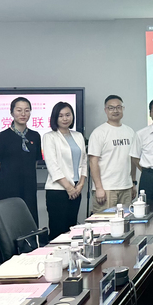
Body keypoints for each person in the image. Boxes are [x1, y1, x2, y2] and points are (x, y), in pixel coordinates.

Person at [0, 97, 42, 262]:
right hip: (6, 189)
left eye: (27, 110)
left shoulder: (35, 136)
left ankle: (29, 262)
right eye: (19, 110)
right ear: (11, 112)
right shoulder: (2, 137)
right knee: (4, 227)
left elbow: (34, 162)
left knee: (28, 225)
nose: (23, 114)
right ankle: (1, 265)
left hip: (28, 189)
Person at [43, 102, 87, 240]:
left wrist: (81, 184)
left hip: (76, 190)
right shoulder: (49, 137)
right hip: (58, 191)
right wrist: (69, 188)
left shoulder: (78, 136)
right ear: (55, 118)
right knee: (58, 231)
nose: (65, 118)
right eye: (60, 116)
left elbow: (84, 161)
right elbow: (52, 165)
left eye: (68, 115)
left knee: (71, 229)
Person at [87, 95, 136, 213]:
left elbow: (132, 160)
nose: (115, 111)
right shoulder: (99, 133)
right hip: (106, 189)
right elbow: (93, 162)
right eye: (111, 108)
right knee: (104, 222)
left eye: (118, 107)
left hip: (126, 187)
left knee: (125, 221)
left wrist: (133, 183)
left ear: (123, 109)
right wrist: (98, 188)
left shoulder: (130, 131)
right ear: (105, 110)